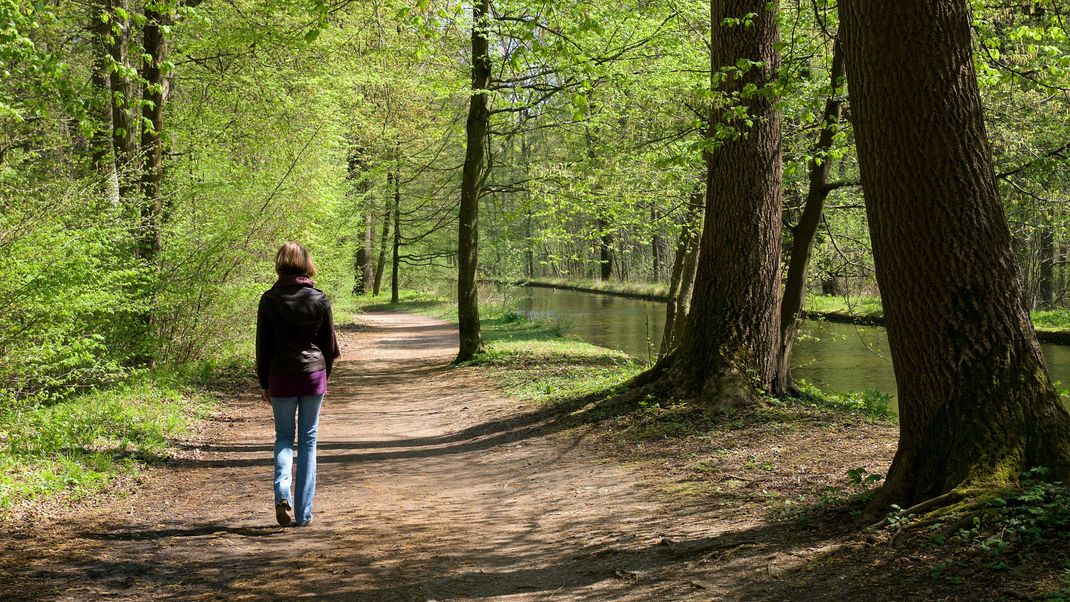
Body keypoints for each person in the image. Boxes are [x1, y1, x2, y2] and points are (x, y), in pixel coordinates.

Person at [256, 242, 340, 527]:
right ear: (306, 263)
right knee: (308, 441)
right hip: (313, 375)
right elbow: (329, 345)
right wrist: (323, 373)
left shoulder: (269, 300)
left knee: (283, 437)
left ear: (280, 263)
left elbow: (263, 347)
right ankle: (304, 515)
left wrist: (263, 381)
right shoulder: (319, 299)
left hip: (279, 375)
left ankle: (282, 494)